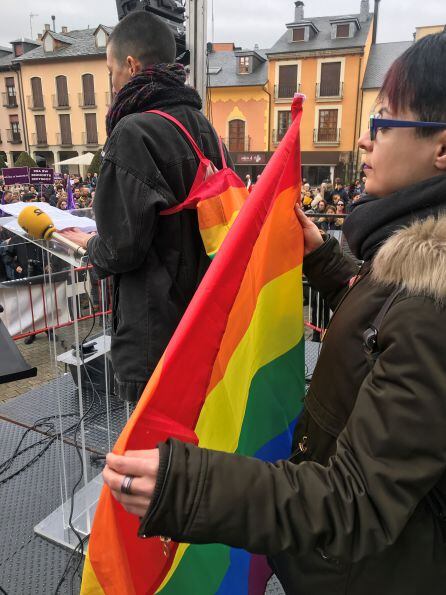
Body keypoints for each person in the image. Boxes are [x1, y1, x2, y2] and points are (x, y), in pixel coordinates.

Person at [103, 32, 446, 594]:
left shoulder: (432, 305)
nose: (364, 139)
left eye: (383, 121)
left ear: (441, 148)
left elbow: (353, 502)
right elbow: (381, 331)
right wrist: (324, 261)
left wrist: (186, 486)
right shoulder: (413, 268)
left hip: (363, 573)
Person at [60, 10, 230, 402]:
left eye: (111, 71)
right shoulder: (206, 129)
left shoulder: (133, 132)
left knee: (154, 454)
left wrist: (86, 243)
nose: (112, 83)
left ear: (131, 66)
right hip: (205, 322)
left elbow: (122, 249)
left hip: (155, 334)